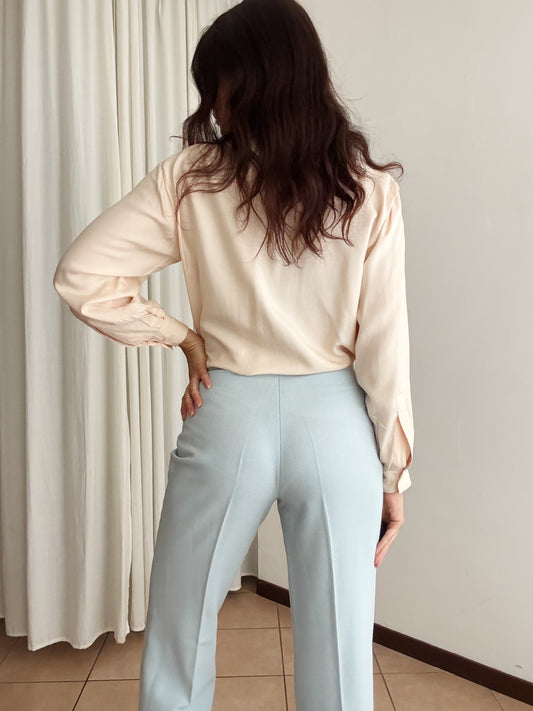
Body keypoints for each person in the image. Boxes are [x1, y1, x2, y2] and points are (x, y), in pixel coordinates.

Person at [52, 0, 414, 708]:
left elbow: (81, 275)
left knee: (181, 623)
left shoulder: (192, 178)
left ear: (244, 83)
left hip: (228, 412)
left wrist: (182, 336)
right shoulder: (368, 189)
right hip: (336, 421)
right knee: (341, 644)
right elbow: (384, 348)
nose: (213, 106)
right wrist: (393, 471)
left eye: (216, 85)